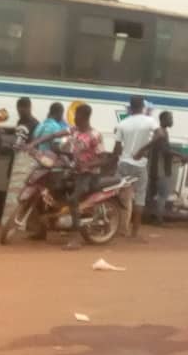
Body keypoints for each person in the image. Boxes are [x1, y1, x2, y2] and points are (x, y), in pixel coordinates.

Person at [113, 95, 156, 239]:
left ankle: (119, 229)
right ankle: (134, 233)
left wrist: (110, 160)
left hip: (124, 163)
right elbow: (161, 134)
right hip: (140, 165)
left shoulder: (123, 124)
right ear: (143, 107)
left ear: (130, 107)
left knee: (120, 196)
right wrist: (143, 150)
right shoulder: (150, 121)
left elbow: (117, 149)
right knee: (139, 199)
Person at [63, 103, 104, 251]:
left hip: (89, 175)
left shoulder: (95, 135)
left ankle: (75, 239)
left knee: (73, 199)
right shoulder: (74, 131)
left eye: (76, 115)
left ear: (84, 117)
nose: (74, 118)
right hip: (74, 171)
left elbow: (102, 159)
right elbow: (64, 143)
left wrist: (86, 166)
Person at [1, 97, 38, 223]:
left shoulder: (34, 124)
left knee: (23, 191)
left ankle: (20, 220)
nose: (20, 111)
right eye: (19, 109)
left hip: (26, 162)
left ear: (29, 108)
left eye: (23, 108)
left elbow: (29, 144)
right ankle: (11, 219)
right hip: (17, 160)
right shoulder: (21, 121)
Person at [145, 112, 182, 225]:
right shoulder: (162, 133)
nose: (172, 121)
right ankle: (158, 219)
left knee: (150, 195)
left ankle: (147, 217)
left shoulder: (160, 132)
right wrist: (182, 156)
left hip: (153, 169)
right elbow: (166, 151)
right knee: (162, 195)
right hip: (161, 170)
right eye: (170, 119)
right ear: (164, 119)